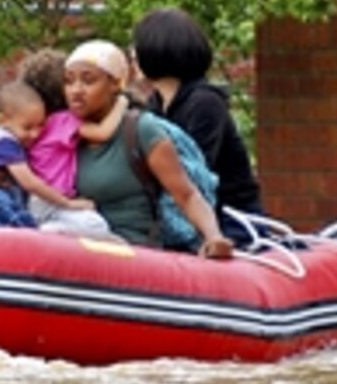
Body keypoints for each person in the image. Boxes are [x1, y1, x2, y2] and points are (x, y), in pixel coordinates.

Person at [65, 40, 234, 259]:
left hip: (133, 252)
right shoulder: (61, 133)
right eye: (68, 82)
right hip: (76, 249)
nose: (76, 90)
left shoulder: (141, 130)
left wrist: (213, 237)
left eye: (88, 81)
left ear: (115, 84)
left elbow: (187, 194)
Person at [131, 8, 267, 247]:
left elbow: (196, 169)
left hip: (230, 218)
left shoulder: (204, 103)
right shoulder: (155, 106)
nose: (133, 55)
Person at [0, 78, 111, 236]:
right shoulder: (5, 142)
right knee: (94, 226)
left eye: (40, 125)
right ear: (3, 120)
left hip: (11, 206)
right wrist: (68, 203)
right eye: (27, 127)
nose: (35, 134)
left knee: (94, 225)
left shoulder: (10, 137)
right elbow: (30, 183)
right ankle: (44, 234)